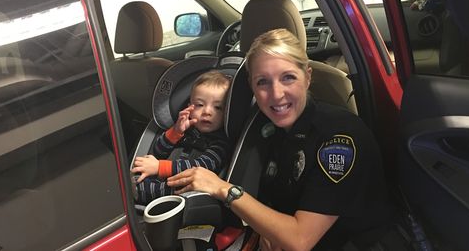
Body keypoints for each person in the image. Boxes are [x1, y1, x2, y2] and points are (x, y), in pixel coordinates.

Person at [166, 29, 397, 250]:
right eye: (263, 82)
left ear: (307, 77)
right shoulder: (266, 127)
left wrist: (224, 189)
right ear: (251, 86)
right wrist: (268, 229)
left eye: (288, 78)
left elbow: (299, 240)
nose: (276, 95)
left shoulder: (339, 138)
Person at [132, 70, 233, 205]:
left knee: (165, 189)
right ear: (189, 107)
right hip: (166, 177)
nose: (207, 112)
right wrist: (175, 131)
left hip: (191, 187)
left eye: (218, 107)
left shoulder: (221, 143)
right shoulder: (186, 129)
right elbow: (158, 151)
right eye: (200, 105)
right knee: (137, 173)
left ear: (227, 112)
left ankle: (136, 192)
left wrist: (159, 167)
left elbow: (201, 167)